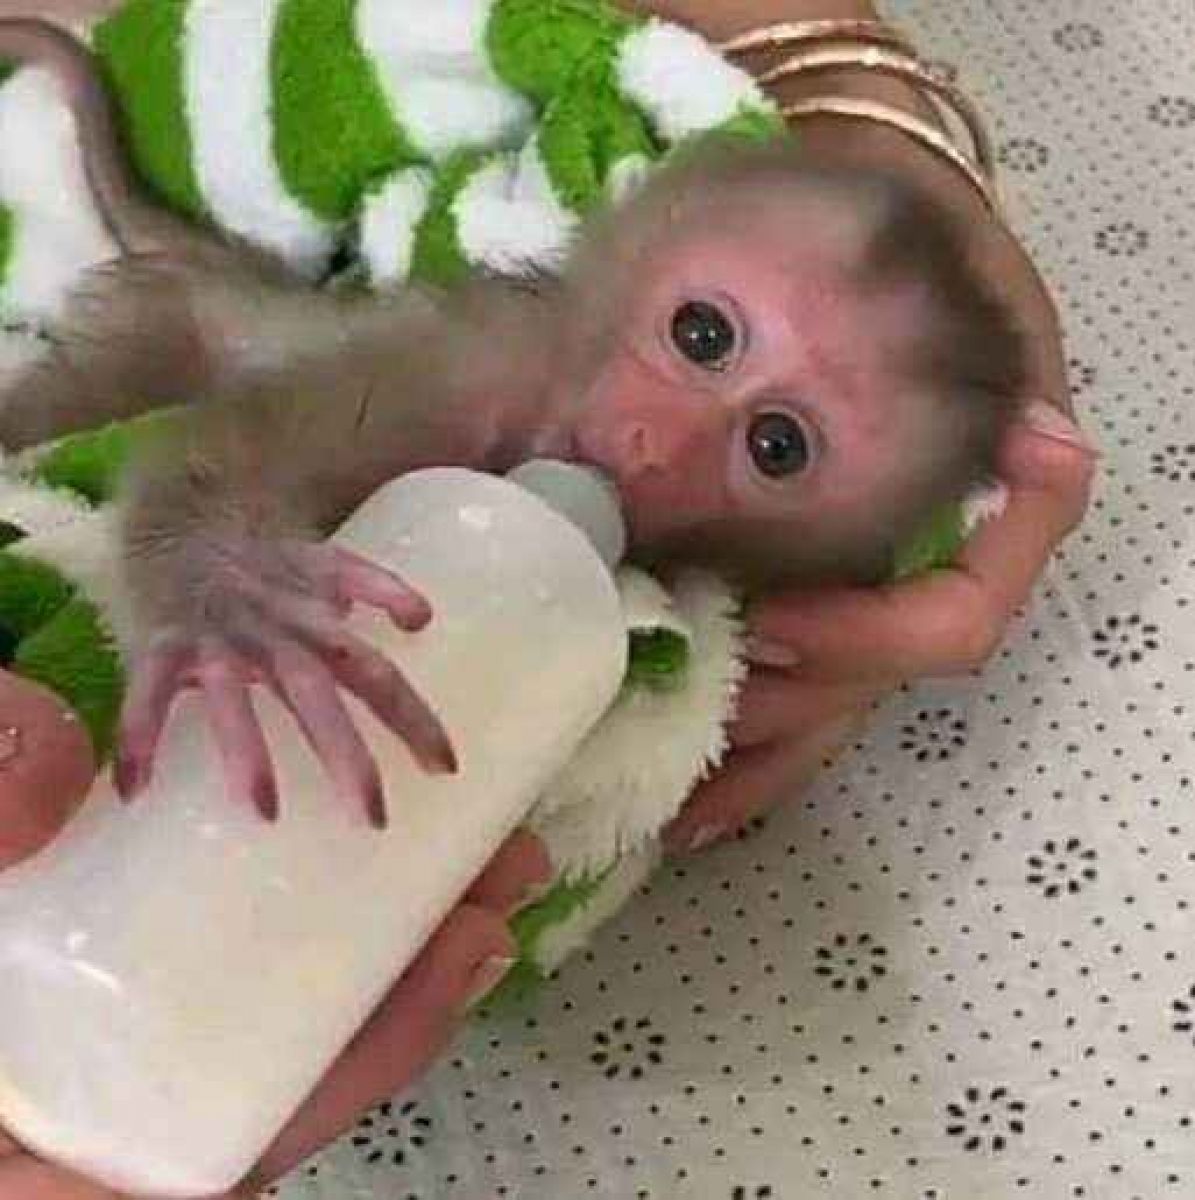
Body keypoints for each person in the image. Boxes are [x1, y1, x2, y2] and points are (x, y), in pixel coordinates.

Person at [0, 0, 1096, 1193]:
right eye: (700, 337)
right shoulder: (486, 373)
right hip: (199, 330)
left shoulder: (747, 572)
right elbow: (212, 469)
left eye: (777, 447)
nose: (662, 439)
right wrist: (219, 583)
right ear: (629, 243)